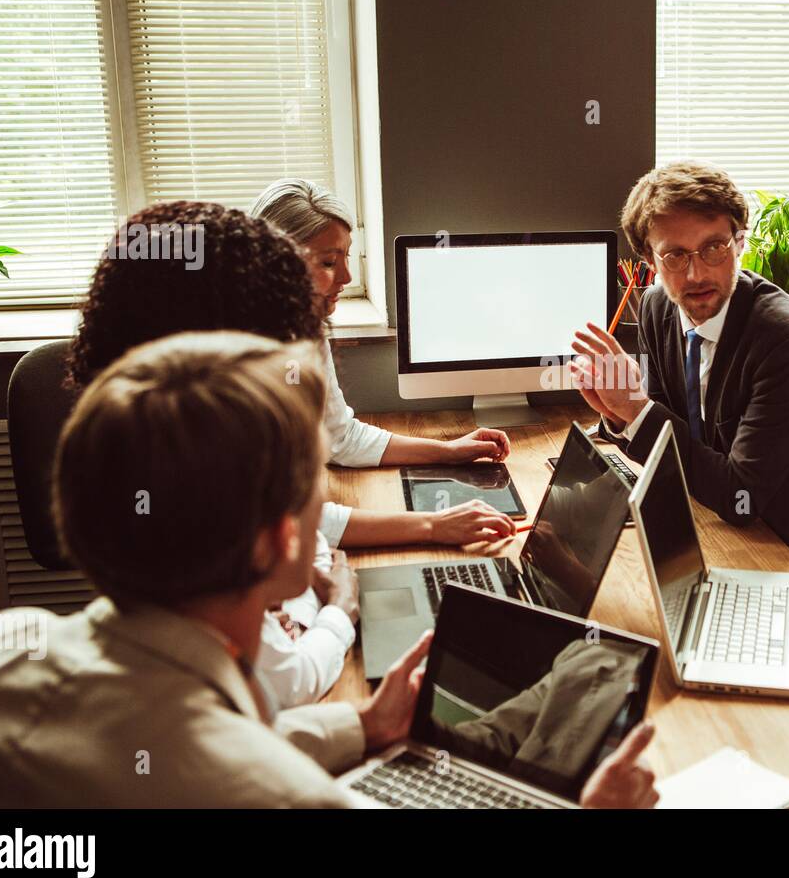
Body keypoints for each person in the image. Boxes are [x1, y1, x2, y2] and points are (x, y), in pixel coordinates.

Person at [0, 332, 658, 808]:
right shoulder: (286, 796)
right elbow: (215, 761)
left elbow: (170, 748)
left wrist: (361, 728)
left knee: (576, 678)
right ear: (284, 542)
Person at [65, 201, 515, 707]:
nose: (343, 277)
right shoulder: (203, 460)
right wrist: (340, 609)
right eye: (327, 261)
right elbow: (276, 686)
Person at [571, 160, 789, 572]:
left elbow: (742, 497)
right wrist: (614, 413)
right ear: (650, 259)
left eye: (714, 247)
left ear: (739, 243)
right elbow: (668, 429)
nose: (697, 273)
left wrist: (633, 408)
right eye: (675, 255)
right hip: (719, 527)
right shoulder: (657, 305)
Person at [249, 178, 516, 550]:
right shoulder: (239, 371)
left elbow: (341, 438)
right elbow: (287, 521)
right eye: (328, 262)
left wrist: (448, 451)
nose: (346, 277)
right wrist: (431, 525)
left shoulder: (306, 329)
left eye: (346, 256)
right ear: (275, 263)